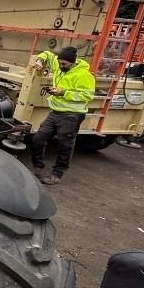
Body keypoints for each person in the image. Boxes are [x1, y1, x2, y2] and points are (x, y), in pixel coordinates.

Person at [30, 45, 96, 184]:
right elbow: (48, 54)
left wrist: (63, 93)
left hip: (72, 115)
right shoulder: (59, 63)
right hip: (56, 112)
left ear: (72, 63)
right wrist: (40, 61)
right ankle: (37, 167)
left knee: (64, 145)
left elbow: (87, 96)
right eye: (59, 63)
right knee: (38, 139)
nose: (60, 66)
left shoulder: (84, 75)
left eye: (64, 64)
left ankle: (57, 174)